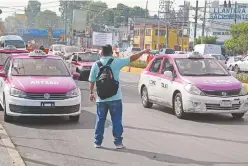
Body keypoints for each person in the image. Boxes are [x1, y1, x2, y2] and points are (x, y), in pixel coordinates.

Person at [89, 44, 149, 149]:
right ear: (112, 53)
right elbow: (132, 58)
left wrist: (91, 93)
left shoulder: (96, 64)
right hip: (115, 98)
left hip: (101, 98)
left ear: (101, 53)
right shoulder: (116, 62)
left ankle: (97, 142)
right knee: (116, 120)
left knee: (100, 120)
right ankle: (118, 143)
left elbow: (92, 80)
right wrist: (143, 52)